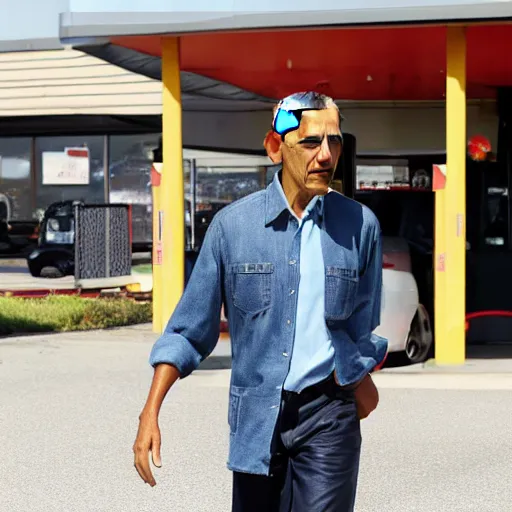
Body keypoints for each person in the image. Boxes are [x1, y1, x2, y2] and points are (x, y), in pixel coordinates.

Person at [133, 91, 388, 512]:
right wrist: (150, 411)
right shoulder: (232, 228)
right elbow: (188, 330)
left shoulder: (361, 227)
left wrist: (359, 382)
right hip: (257, 414)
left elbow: (362, 324)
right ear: (275, 147)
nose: (326, 155)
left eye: (335, 141)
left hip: (329, 414)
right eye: (310, 142)